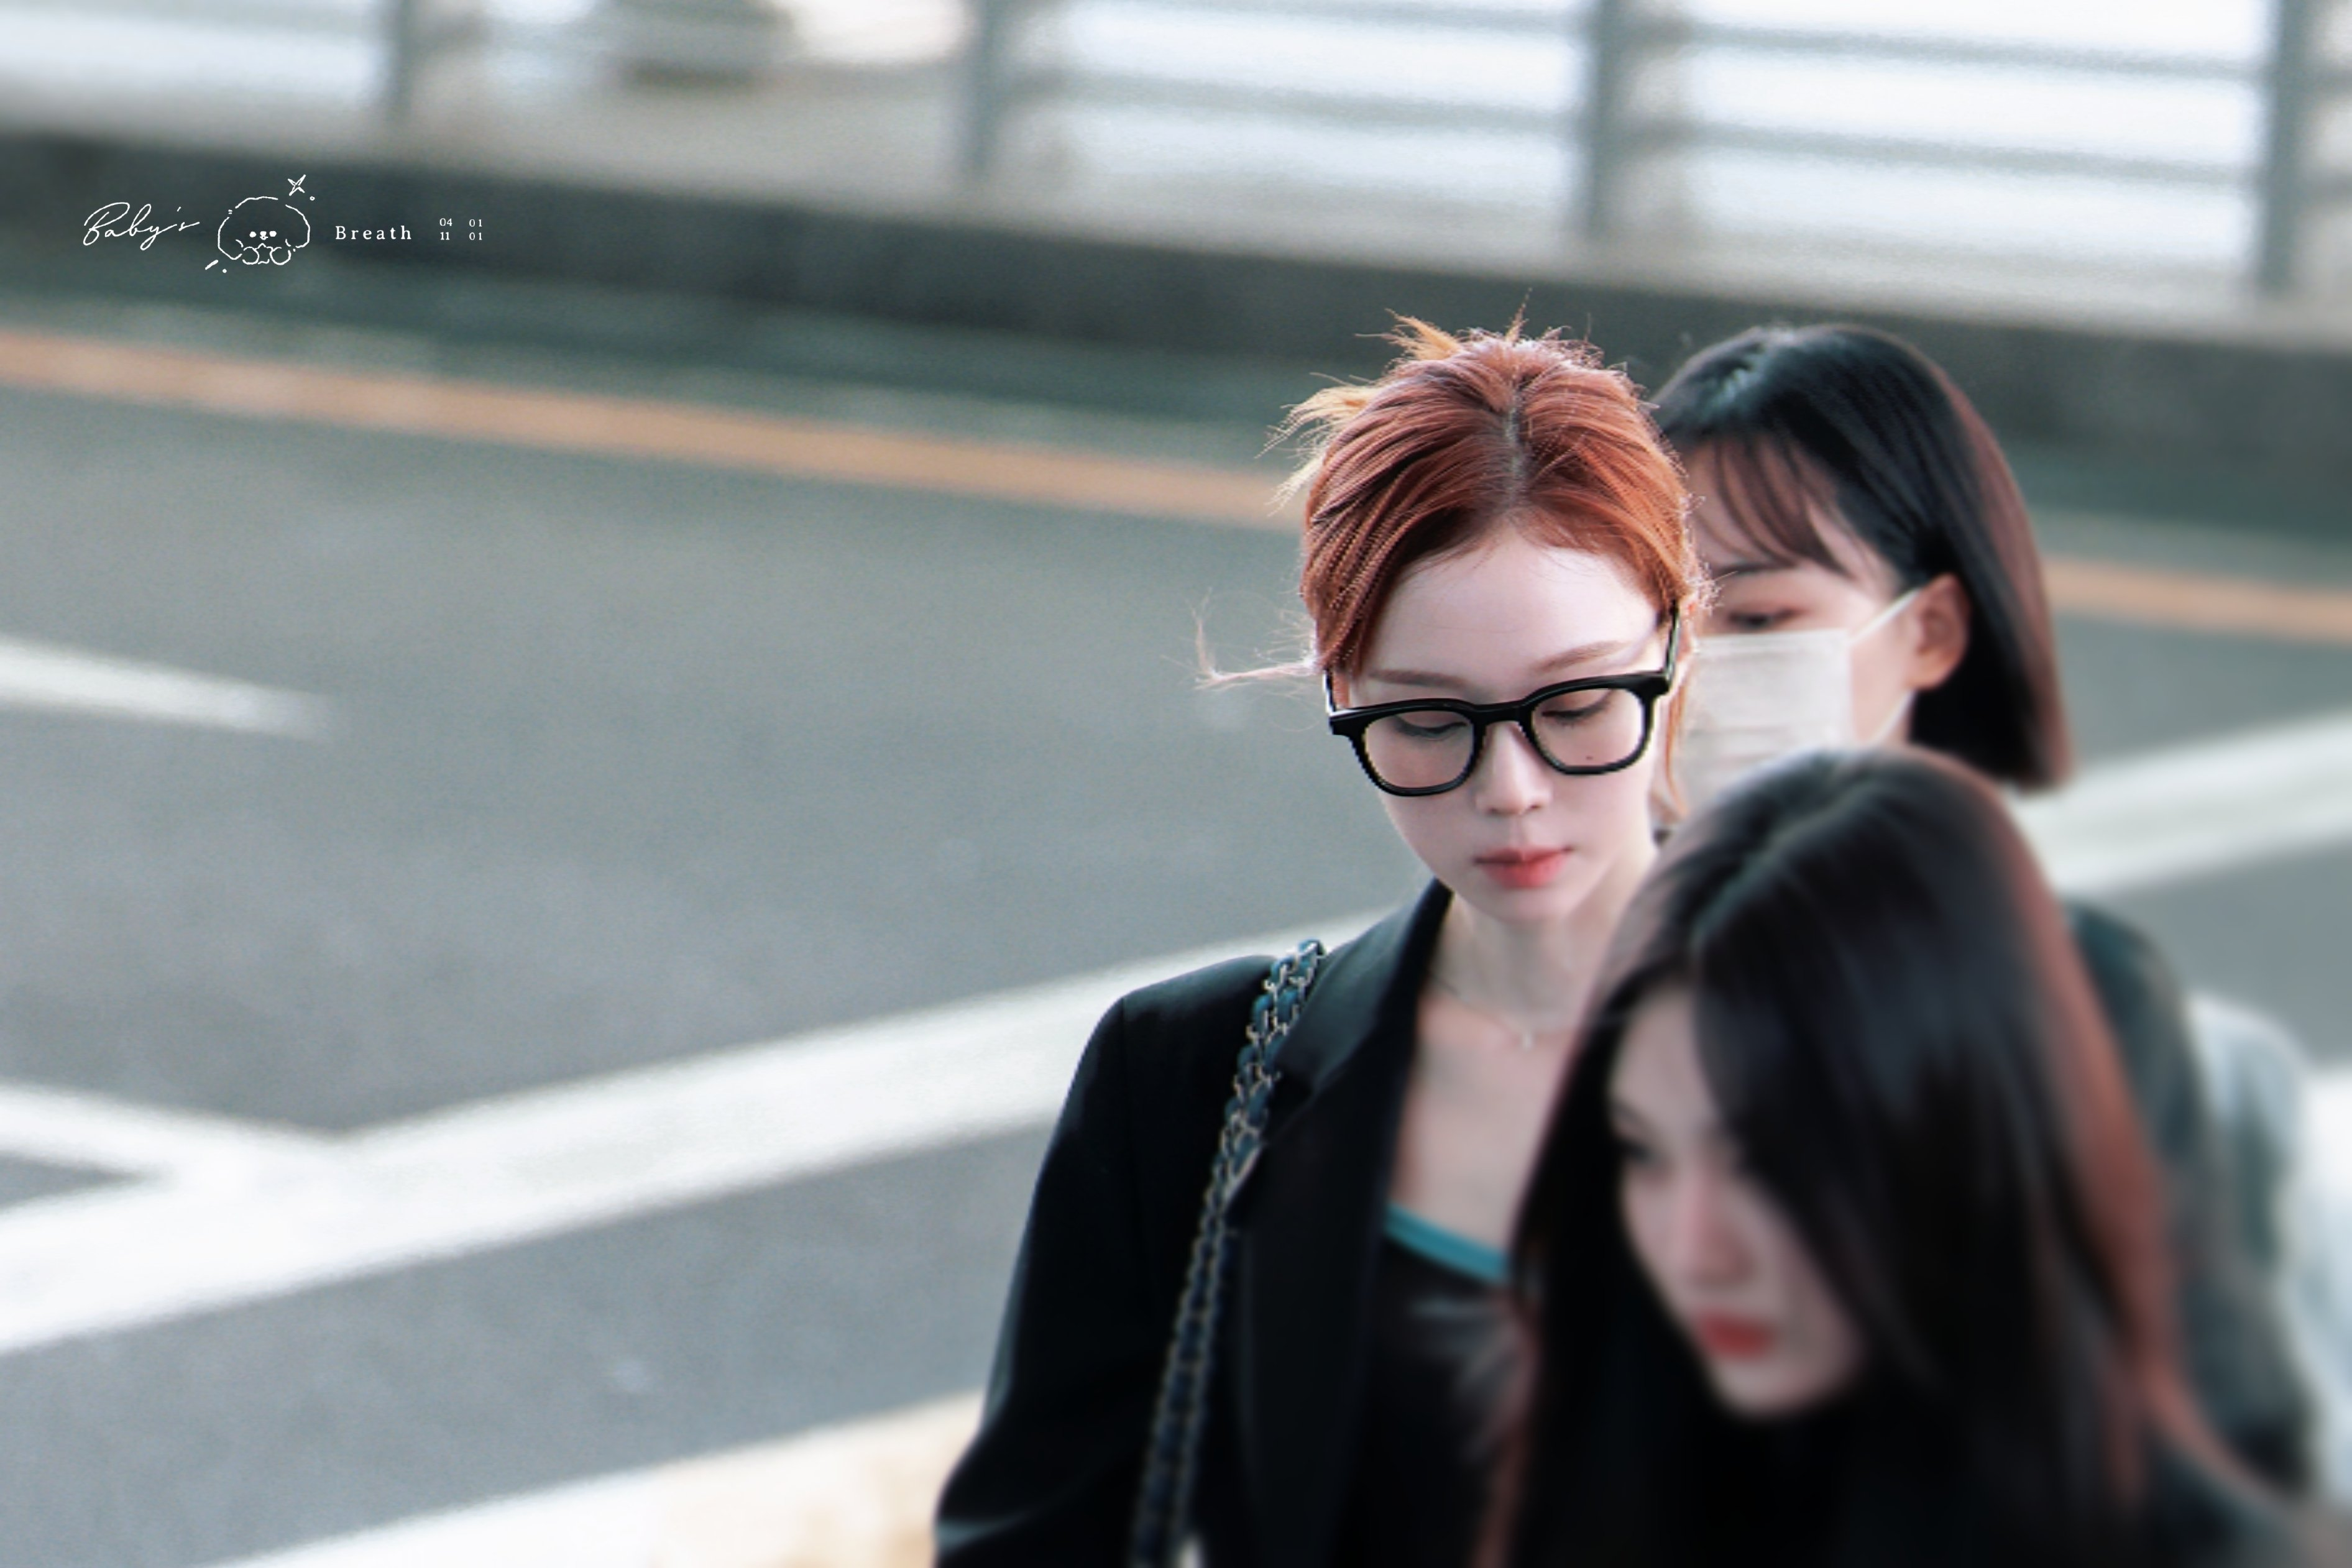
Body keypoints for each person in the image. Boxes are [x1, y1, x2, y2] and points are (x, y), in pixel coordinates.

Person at [934, 322, 1701, 1567]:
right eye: (1426, 720)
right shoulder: (1185, 1080)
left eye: (1573, 705)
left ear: (1676, 644)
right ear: (1338, 688)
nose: (1509, 789)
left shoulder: (1890, 1056)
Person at [1649, 323, 2317, 1490]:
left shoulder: (2091, 1010)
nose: (1696, 671)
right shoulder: (1547, 967)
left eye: (1757, 621)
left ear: (1931, 631)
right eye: (1663, 617)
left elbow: (2222, 1462)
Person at [1488, 749, 2326, 1568]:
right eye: (1643, 1152)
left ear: (1960, 1132)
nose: (1692, 1251)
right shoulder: (1618, 1461)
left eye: (1771, 1163)